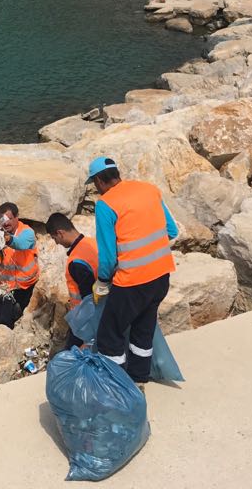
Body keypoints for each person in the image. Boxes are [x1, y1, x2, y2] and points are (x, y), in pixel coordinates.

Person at [88, 156, 178, 385]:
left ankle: (119, 387)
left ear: (99, 180)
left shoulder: (105, 204)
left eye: (95, 184)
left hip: (132, 282)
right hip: (161, 276)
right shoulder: (149, 190)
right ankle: (139, 380)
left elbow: (108, 256)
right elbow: (171, 230)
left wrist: (103, 282)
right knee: (143, 329)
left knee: (109, 335)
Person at [45, 213, 98, 350]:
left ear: (60, 233)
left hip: (87, 320)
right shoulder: (92, 243)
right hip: (100, 312)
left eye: (54, 238)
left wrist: (90, 338)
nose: (56, 242)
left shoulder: (76, 261)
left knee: (71, 356)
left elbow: (89, 299)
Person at [0, 202, 40, 329]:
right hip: (6, 286)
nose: (6, 223)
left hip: (26, 286)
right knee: (3, 322)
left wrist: (7, 239)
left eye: (10, 219)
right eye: (3, 219)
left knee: (24, 322)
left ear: (17, 217)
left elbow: (21, 244)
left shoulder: (27, 232)